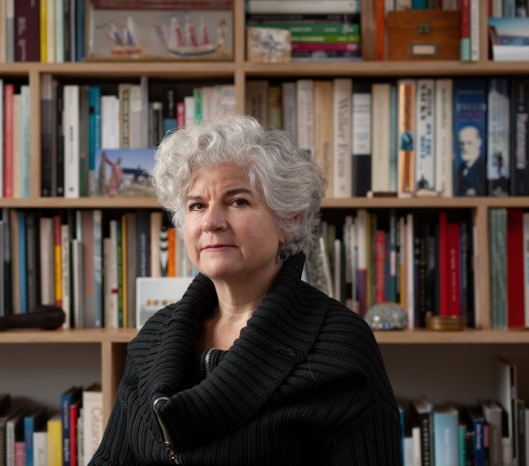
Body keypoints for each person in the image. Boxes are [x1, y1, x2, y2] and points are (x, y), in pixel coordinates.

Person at [89, 116, 402, 465]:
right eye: (197, 205)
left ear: (289, 218)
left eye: (237, 201)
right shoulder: (152, 339)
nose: (211, 222)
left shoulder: (339, 344)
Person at [455, 124, 486, 196]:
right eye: (461, 143)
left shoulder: (484, 166)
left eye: (469, 143)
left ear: (479, 143)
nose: (465, 147)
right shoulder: (460, 168)